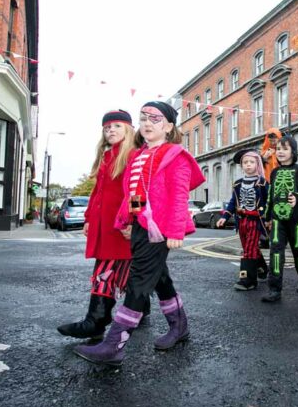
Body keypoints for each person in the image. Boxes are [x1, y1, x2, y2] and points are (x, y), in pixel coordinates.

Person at [74, 101, 205, 366]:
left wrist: (177, 230)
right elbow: (136, 194)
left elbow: (179, 196)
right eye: (143, 117)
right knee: (160, 279)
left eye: (154, 119)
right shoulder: (137, 155)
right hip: (140, 227)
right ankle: (179, 327)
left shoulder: (175, 155)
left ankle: (114, 345)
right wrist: (129, 218)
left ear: (168, 126)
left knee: (138, 282)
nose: (147, 123)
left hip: (161, 229)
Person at [57, 109, 139, 340]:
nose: (110, 130)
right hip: (105, 226)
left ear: (129, 129)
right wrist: (89, 219)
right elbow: (97, 193)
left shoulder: (134, 155)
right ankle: (139, 310)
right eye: (107, 128)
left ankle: (96, 321)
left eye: (116, 126)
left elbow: (138, 192)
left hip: (120, 225)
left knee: (107, 272)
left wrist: (133, 220)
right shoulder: (106, 156)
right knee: (130, 273)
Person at [261, 135, 298, 303]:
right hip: (278, 220)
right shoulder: (275, 172)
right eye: (278, 149)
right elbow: (271, 195)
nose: (281, 152)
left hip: (296, 221)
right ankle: (274, 289)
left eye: (285, 149)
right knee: (276, 252)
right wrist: (268, 216)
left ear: (293, 151)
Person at [217, 150, 269, 291]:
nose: (248, 165)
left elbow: (269, 201)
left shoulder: (262, 183)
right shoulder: (238, 183)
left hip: (255, 221)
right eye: (245, 163)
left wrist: (268, 218)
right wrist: (224, 217)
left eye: (251, 162)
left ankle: (248, 280)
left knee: (249, 250)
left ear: (257, 164)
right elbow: (233, 202)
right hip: (241, 221)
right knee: (248, 247)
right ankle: (263, 269)